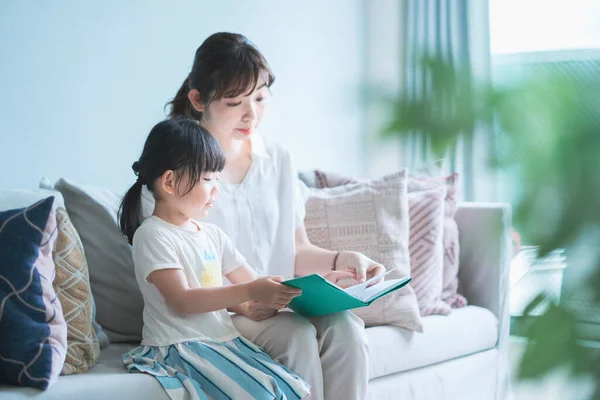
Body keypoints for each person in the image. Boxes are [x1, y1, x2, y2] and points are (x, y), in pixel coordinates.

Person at [161, 32, 387, 400]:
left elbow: (297, 248)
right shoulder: (178, 174)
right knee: (295, 335)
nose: (251, 115)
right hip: (220, 315)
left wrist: (342, 260)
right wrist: (249, 300)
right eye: (235, 102)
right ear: (198, 99)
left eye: (260, 98)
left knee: (347, 328)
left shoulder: (278, 159)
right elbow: (180, 282)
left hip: (278, 303)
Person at [118, 118, 321, 399]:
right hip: (180, 344)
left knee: (287, 388)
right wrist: (251, 292)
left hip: (221, 339)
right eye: (208, 178)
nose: (217, 188)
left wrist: (260, 300)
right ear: (169, 181)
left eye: (217, 178)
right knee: (263, 394)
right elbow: (184, 300)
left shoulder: (212, 234)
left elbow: (251, 281)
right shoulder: (152, 235)